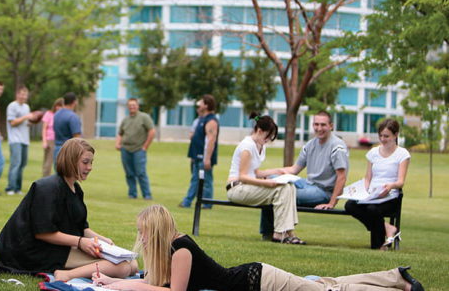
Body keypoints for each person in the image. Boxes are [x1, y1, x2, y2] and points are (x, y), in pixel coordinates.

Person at [92, 204, 424, 291]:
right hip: (256, 279)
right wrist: (114, 281)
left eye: (144, 233)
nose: (143, 239)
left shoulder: (181, 249)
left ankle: (399, 281)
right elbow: (152, 281)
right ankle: (396, 278)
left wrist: (121, 282)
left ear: (157, 230)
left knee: (327, 290)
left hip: (261, 281)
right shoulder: (172, 250)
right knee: (326, 284)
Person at [0, 138, 138, 281]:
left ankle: (71, 270)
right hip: (33, 251)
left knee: (133, 265)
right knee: (123, 268)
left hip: (59, 246)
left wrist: (104, 241)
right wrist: (80, 242)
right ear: (71, 161)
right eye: (85, 162)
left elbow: (82, 228)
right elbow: (43, 233)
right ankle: (65, 275)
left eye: (91, 162)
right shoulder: (47, 188)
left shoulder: (76, 189)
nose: (90, 167)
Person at [259, 111, 349, 240]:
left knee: (279, 192)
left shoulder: (337, 147)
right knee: (271, 182)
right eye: (316, 124)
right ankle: (268, 232)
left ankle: (274, 233)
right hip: (307, 184)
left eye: (323, 125)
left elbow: (342, 177)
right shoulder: (310, 144)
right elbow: (294, 169)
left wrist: (332, 203)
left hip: (323, 191)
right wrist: (265, 173)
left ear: (331, 126)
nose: (319, 128)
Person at [225, 113, 305, 244]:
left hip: (247, 186)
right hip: (237, 188)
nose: (268, 140)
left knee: (289, 186)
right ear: (259, 130)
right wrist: (267, 183)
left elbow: (255, 171)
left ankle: (288, 232)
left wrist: (278, 171)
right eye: (267, 136)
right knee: (282, 190)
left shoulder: (260, 145)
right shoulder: (247, 146)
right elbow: (243, 176)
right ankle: (280, 233)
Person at [345, 119, 410, 250]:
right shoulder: (373, 153)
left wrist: (390, 186)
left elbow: (400, 181)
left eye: (386, 136)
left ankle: (379, 246)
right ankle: (387, 228)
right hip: (372, 195)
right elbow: (368, 178)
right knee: (350, 205)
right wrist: (362, 190)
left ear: (396, 135)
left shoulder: (402, 154)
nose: (383, 139)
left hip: (390, 196)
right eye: (380, 136)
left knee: (372, 210)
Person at [179, 95, 219, 209]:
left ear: (206, 105)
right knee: (195, 180)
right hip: (196, 156)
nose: (198, 105)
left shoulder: (211, 120)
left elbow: (211, 140)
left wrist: (207, 159)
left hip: (204, 158)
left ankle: (206, 203)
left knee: (206, 181)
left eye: (200, 103)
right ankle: (188, 201)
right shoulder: (201, 119)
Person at [115, 98, 156, 200]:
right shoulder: (125, 120)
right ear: (127, 107)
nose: (132, 107)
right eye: (130, 105)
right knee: (129, 173)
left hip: (139, 149)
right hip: (125, 149)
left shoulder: (144, 117)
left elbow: (152, 131)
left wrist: (145, 146)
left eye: (134, 105)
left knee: (141, 172)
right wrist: (117, 143)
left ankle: (147, 194)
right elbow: (120, 133)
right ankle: (132, 194)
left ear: (138, 106)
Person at [5, 86, 35, 195]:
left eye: (25, 94)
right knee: (15, 163)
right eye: (21, 94)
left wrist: (32, 121)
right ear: (17, 94)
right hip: (15, 139)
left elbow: (25, 123)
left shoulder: (26, 107)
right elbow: (12, 122)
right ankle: (10, 188)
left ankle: (17, 188)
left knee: (22, 164)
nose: (23, 96)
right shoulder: (12, 106)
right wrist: (26, 117)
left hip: (25, 140)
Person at [53, 92, 82, 165]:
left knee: (58, 175)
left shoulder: (56, 114)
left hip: (56, 149)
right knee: (69, 175)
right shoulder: (73, 116)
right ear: (74, 102)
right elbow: (77, 138)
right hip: (68, 151)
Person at [41, 98, 64, 177]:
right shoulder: (49, 114)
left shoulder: (63, 116)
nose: (59, 108)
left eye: (61, 106)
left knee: (58, 163)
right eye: (58, 106)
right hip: (50, 140)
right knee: (48, 162)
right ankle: (45, 180)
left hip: (59, 141)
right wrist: (44, 141)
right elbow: (44, 128)